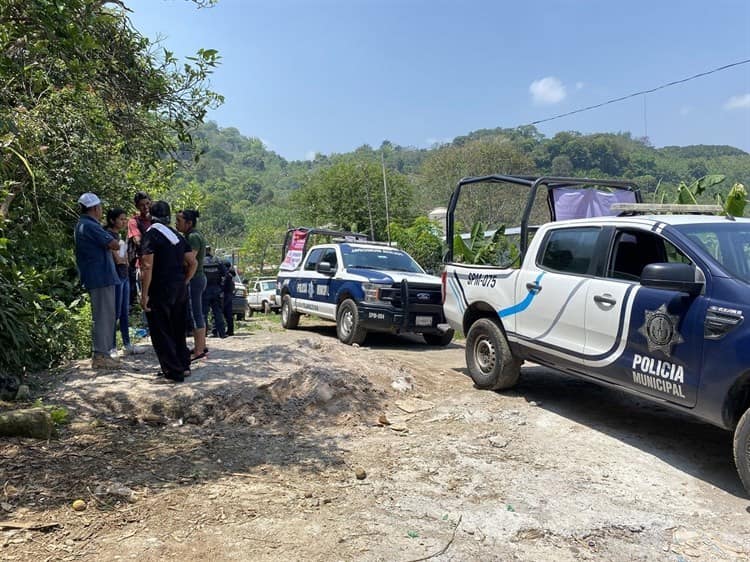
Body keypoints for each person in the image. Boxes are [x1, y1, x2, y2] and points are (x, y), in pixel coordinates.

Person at [139, 201, 197, 383]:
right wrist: (185, 280)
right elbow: (192, 262)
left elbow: (147, 266)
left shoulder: (151, 235)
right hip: (179, 288)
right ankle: (183, 365)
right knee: (177, 329)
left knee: (161, 331)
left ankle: (173, 372)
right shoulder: (176, 236)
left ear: (150, 216)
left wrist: (144, 294)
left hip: (159, 289)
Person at [74, 192, 122, 369]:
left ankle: (103, 353)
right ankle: (101, 355)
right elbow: (114, 244)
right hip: (101, 276)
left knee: (104, 314)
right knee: (104, 315)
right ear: (95, 208)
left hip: (98, 275)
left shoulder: (83, 224)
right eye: (100, 207)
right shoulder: (90, 226)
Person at [105, 208, 143, 356]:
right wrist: (123, 259)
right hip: (116, 277)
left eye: (124, 219)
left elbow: (125, 258)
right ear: (112, 220)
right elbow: (119, 258)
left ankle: (127, 344)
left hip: (125, 275)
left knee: (124, 312)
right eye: (121, 219)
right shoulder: (108, 235)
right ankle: (112, 346)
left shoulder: (119, 236)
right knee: (114, 312)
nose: (123, 222)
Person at [175, 209, 208, 361]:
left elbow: (191, 260)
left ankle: (199, 351)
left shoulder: (193, 237)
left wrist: (186, 279)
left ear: (189, 223)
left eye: (179, 221)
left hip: (194, 279)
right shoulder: (191, 235)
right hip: (197, 278)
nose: (176, 224)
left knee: (196, 314)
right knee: (197, 312)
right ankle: (200, 346)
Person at [127, 191, 152, 309]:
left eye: (148, 203)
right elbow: (137, 240)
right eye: (142, 205)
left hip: (159, 266)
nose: (146, 207)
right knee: (146, 299)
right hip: (143, 265)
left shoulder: (156, 219)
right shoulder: (134, 221)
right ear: (137, 206)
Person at [202, 246, 227, 339]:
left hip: (204, 289)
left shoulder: (201, 260)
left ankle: (203, 334)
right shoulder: (217, 260)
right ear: (210, 251)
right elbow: (225, 274)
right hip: (216, 289)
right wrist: (221, 286)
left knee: (203, 313)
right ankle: (222, 333)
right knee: (217, 312)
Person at [220, 260, 236, 337]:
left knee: (220, 313)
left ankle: (221, 330)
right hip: (229, 295)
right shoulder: (231, 274)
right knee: (228, 314)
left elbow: (223, 285)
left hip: (225, 295)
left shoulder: (226, 274)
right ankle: (230, 330)